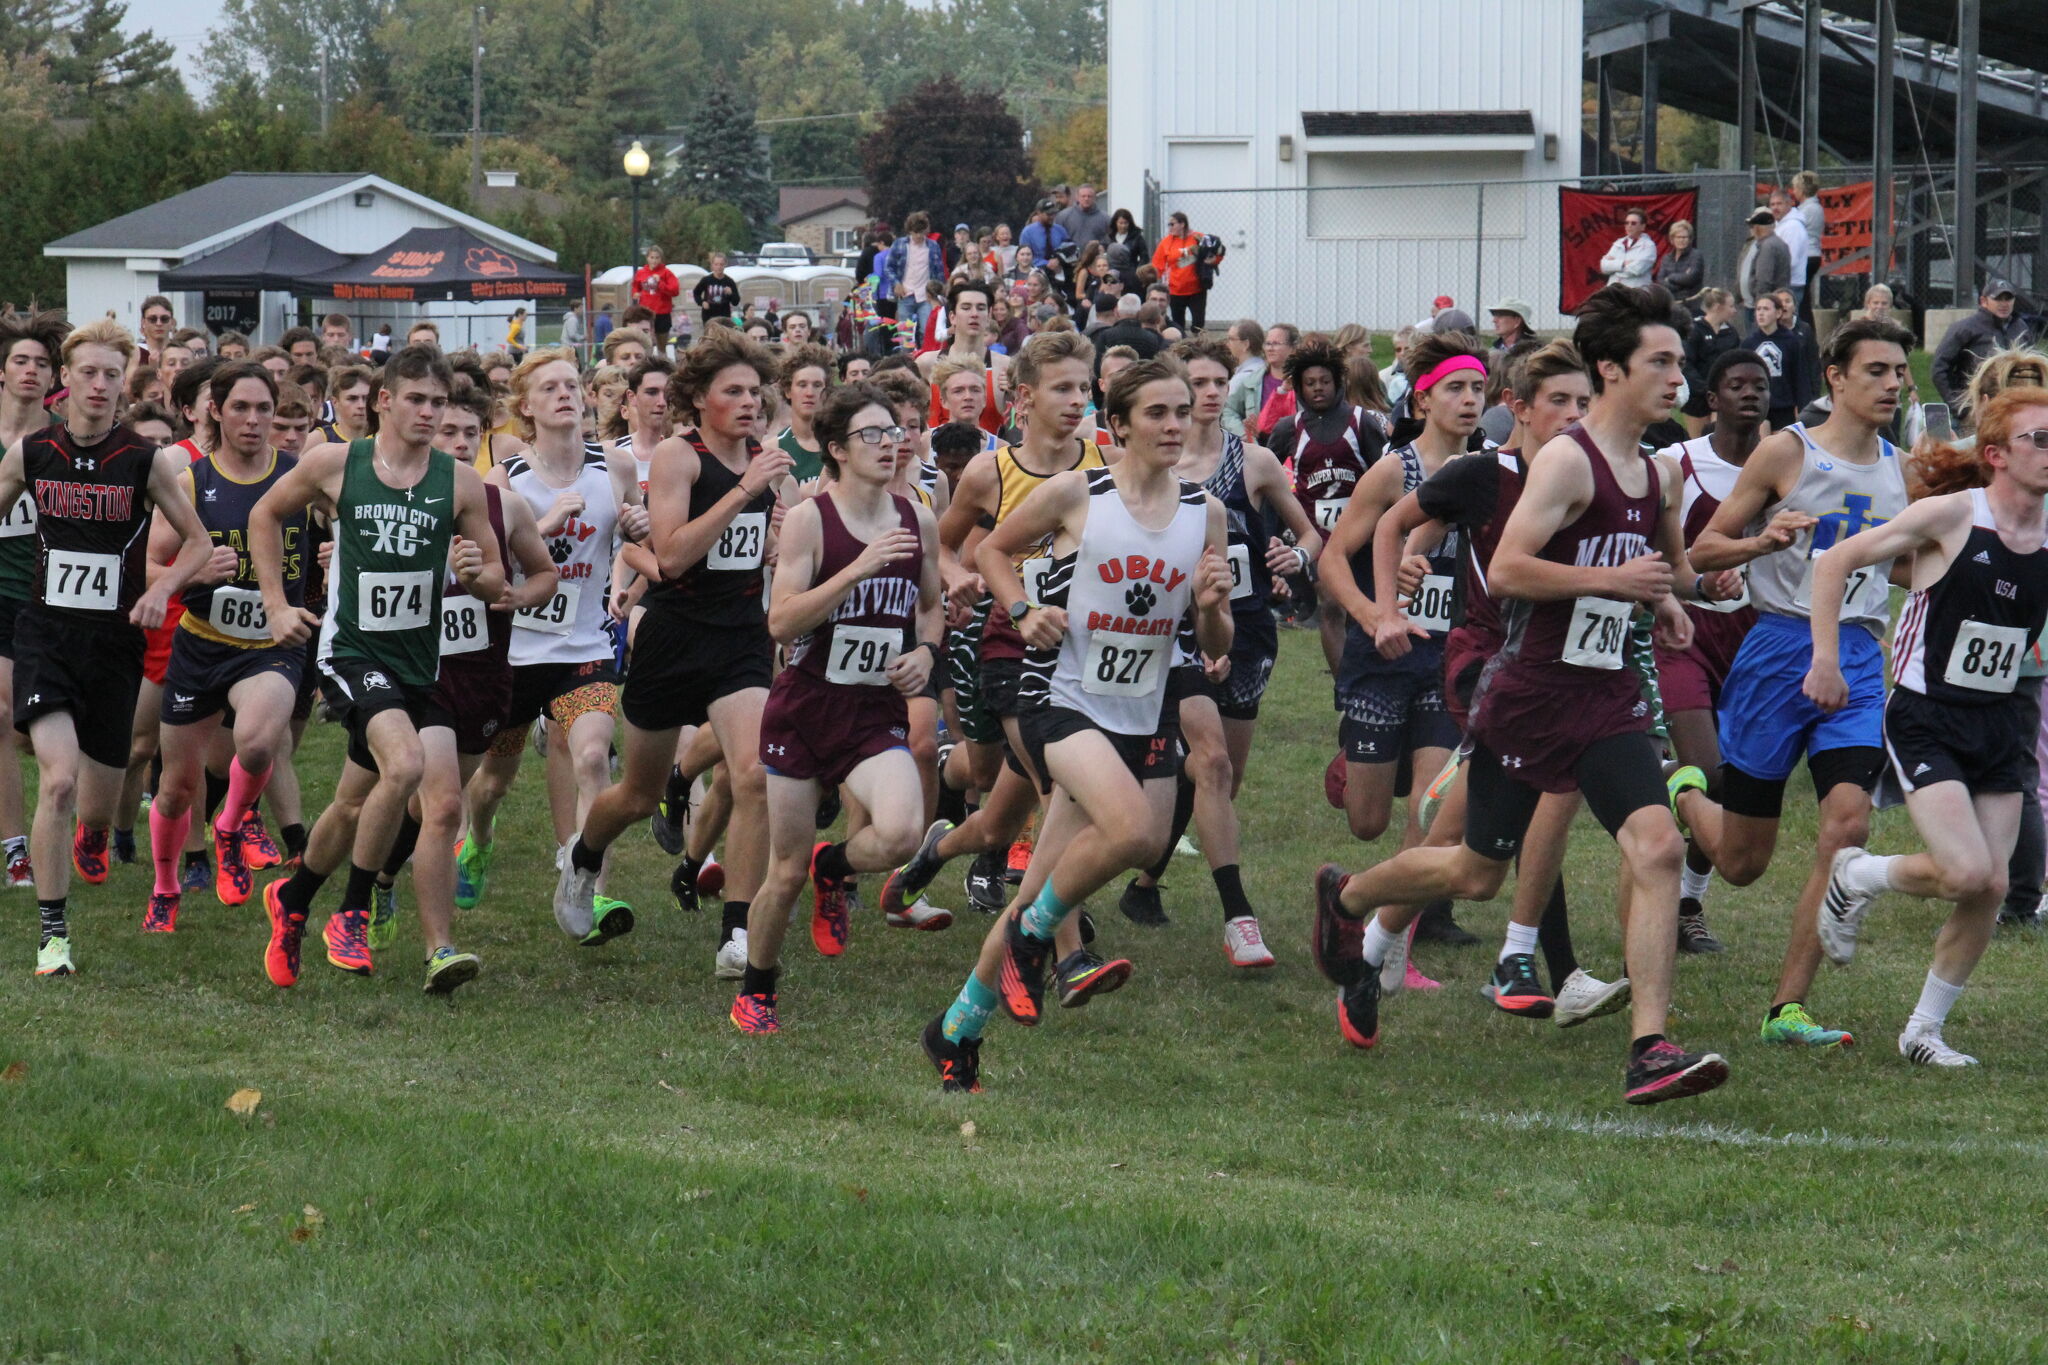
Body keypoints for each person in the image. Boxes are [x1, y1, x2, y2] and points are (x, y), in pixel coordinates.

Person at [1311, 284, 1737, 1106]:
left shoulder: (1652, 470)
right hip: (1531, 691)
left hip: (1607, 693)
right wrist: (1614, 577)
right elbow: (1508, 570)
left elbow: (1652, 568)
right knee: (1475, 871)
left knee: (1658, 848)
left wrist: (1671, 600)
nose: (1677, 375)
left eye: (1679, 361)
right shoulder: (1569, 458)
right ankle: (1352, 896)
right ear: (1613, 369)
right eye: (1661, 360)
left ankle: (1650, 1045)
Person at [919, 357, 1232, 1093]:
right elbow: (988, 549)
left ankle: (956, 1028)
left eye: (1181, 411)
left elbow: (1214, 647)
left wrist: (1214, 606)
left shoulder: (1203, 512)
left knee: (1049, 886)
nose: (1173, 424)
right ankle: (1034, 942)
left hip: (1143, 706)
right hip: (1062, 694)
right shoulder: (1076, 493)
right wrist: (1024, 611)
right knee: (1134, 831)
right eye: (1156, 412)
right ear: (1117, 424)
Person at [1358, 340, 1627, 1018]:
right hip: (1488, 657)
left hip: (1570, 661)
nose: (1573, 414)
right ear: (1520, 409)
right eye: (1559, 401)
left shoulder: (1596, 477)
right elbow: (1394, 524)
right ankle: (1523, 960)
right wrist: (1388, 605)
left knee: (1468, 842)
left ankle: (1380, 925)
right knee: (1557, 785)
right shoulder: (1486, 472)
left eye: (1584, 403)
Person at [1684, 317, 1916, 1050]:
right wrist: (1763, 539)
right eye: (1876, 370)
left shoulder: (1902, 469)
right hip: (1778, 648)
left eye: (1900, 371)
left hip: (1855, 658)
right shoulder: (1789, 451)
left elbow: (1896, 566)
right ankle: (1685, 790)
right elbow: (1704, 547)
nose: (1892, 383)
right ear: (1835, 378)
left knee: (1847, 826)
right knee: (1743, 862)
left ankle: (1788, 1006)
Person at [249, 345, 507, 986]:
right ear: (384, 400)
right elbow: (264, 514)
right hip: (351, 650)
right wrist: (277, 605)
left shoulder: (460, 481)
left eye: (438, 402)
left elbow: (498, 574)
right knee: (409, 766)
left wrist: (476, 575)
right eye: (416, 399)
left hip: (417, 662)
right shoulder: (337, 464)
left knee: (350, 803)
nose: (428, 412)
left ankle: (294, 898)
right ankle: (354, 911)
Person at [1811, 385, 2048, 1066]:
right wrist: (1827, 657)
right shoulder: (1951, 515)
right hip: (1927, 716)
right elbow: (1835, 561)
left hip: (2004, 716)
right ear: (1997, 454)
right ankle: (1858, 874)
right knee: (1967, 869)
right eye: (2039, 439)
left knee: (1994, 885)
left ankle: (1923, 1031)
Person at [553, 331, 793, 977]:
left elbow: (762, 540)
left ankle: (736, 932)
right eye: (732, 391)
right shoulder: (683, 460)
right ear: (699, 399)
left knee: (754, 775)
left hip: (740, 637)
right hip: (674, 636)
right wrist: (745, 491)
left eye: (754, 391)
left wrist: (775, 534)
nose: (748, 402)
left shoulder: (763, 459)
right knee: (637, 792)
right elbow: (673, 555)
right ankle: (582, 858)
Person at [0, 319, 216, 977]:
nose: (99, 385)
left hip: (115, 645)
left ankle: (96, 834)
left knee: (93, 802)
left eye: (112, 375)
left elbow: (200, 543)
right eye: (88, 372)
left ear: (125, 383)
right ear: (67, 380)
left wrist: (165, 587)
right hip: (44, 635)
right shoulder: (31, 454)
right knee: (57, 782)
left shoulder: (143, 462)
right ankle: (53, 936)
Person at [730, 383, 945, 1033]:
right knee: (785, 869)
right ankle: (757, 987)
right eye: (872, 435)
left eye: (895, 432)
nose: (890, 444)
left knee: (904, 832)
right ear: (836, 450)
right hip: (805, 706)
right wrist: (858, 569)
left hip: (873, 708)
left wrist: (928, 654)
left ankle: (838, 863)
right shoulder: (810, 520)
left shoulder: (918, 519)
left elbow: (932, 605)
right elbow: (781, 620)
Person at [1116, 336, 1323, 958]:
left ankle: (1146, 882)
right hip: (1176, 633)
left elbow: (1310, 532)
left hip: (1249, 626)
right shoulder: (1155, 465)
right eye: (1197, 384)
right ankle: (1237, 916)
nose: (1208, 394)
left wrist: (1296, 556)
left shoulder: (1254, 462)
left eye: (1217, 383)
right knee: (1208, 762)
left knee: (1219, 776)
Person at [456, 351, 646, 940]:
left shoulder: (614, 468)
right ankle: (478, 840)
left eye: (572, 385)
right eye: (549, 388)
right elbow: (485, 569)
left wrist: (639, 536)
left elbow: (637, 543)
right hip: (513, 653)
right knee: (491, 784)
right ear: (527, 407)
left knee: (594, 757)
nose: (565, 394)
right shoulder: (504, 478)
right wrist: (542, 530)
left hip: (584, 647)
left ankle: (585, 881)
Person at [140, 363, 307, 931]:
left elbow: (344, 536)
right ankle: (165, 887)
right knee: (175, 787)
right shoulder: (192, 480)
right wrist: (190, 572)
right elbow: (146, 562)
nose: (255, 421)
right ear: (215, 411)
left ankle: (232, 825)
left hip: (271, 645)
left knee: (259, 744)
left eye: (265, 409)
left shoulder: (299, 478)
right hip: (203, 644)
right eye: (241, 408)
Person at [1649, 349, 1773, 959]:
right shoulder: (1676, 464)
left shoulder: (1789, 465)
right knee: (1711, 773)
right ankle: (1686, 899)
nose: (1750, 394)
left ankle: (1686, 903)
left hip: (1757, 640)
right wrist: (1694, 579)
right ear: (1713, 398)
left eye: (1760, 385)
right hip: (1686, 634)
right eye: (1736, 385)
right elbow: (1653, 543)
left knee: (1732, 785)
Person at [0, 309, 67, 892]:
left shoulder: (60, 441)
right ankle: (15, 849)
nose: (31, 371)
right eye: (21, 361)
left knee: (27, 730)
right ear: (3, 372)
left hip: (46, 596)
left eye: (42, 364)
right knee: (0, 717)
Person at [1270, 340, 1386, 674]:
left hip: (1364, 534)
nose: (1318, 388)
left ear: (1337, 382)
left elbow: (1387, 476)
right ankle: (1344, 685)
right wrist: (1275, 530)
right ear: (1300, 387)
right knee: (1333, 606)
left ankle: (1369, 675)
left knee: (1363, 607)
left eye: (1324, 381)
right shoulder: (1288, 429)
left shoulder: (1362, 423)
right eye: (1310, 383)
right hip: (1318, 536)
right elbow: (1265, 476)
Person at [1932, 279, 2035, 414]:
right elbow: (1939, 368)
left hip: (2015, 411)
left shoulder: (2021, 328)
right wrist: (1959, 406)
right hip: (1975, 411)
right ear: (1984, 301)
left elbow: (2034, 367)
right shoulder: (1964, 329)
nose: (2004, 304)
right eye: (1998, 298)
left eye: (2008, 298)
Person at [1744, 293, 1812, 431]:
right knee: (1762, 443)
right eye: (1758, 309)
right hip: (1758, 404)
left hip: (1783, 405)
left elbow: (1800, 376)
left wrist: (1802, 406)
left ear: (1778, 313)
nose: (1761, 314)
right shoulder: (1749, 343)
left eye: (1766, 309)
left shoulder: (1791, 341)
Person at [774, 343, 834, 482]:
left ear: (827, 391)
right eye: (802, 385)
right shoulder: (773, 448)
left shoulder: (842, 445)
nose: (809, 393)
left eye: (817, 385)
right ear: (788, 391)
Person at [880, 213, 945, 339]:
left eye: (922, 232)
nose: (919, 236)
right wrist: (896, 283)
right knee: (905, 334)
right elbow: (888, 267)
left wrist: (940, 293)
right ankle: (905, 358)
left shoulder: (933, 246)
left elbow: (939, 271)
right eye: (916, 233)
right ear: (910, 231)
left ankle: (925, 356)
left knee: (927, 331)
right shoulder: (899, 244)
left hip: (926, 295)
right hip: (906, 294)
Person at [1151, 212, 1210, 334]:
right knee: (1178, 324)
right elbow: (1157, 265)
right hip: (1175, 290)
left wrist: (1211, 262)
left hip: (1197, 289)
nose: (1170, 228)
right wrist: (1151, 279)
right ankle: (1181, 347)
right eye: (1169, 225)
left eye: (1172, 224)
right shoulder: (1166, 242)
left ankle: (1199, 346)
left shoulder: (1197, 238)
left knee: (1198, 324)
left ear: (1182, 224)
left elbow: (1214, 250)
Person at [1737, 208, 1792, 326]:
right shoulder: (1771, 243)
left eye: (1752, 226)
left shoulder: (1768, 246)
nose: (1751, 229)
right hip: (1759, 304)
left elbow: (1764, 280)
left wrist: (1760, 307)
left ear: (1758, 228)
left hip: (1762, 306)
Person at [1790, 172, 1826, 326]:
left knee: (1800, 297)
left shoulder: (1808, 209)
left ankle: (1804, 328)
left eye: (1795, 188)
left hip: (1807, 256)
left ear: (1802, 189)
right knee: (1804, 297)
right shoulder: (1810, 207)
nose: (1794, 191)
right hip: (1812, 255)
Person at [631, 245, 680, 355]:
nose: (654, 260)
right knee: (645, 343)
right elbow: (635, 286)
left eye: (657, 258)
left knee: (661, 346)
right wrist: (635, 293)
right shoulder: (641, 272)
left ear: (661, 259)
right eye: (652, 257)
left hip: (662, 313)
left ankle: (662, 365)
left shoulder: (666, 273)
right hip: (645, 313)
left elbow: (675, 291)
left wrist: (660, 283)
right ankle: (645, 365)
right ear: (647, 258)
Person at [1600, 209, 1657, 289]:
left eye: (1633, 223)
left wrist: (1614, 267)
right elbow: (1604, 267)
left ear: (1643, 226)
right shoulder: (1618, 243)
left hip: (1636, 293)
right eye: (1626, 223)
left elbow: (1636, 270)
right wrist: (1623, 263)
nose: (1629, 226)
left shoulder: (1649, 246)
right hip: (1613, 291)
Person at [1655, 219, 1703, 299]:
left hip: (1690, 303)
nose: (1681, 240)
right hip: (1670, 302)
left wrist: (1670, 277)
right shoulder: (1666, 258)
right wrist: (1680, 282)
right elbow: (1660, 281)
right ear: (1672, 239)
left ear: (1690, 239)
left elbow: (1690, 278)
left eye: (1684, 237)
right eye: (1678, 237)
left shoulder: (1696, 255)